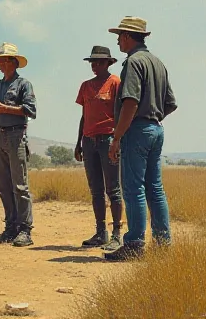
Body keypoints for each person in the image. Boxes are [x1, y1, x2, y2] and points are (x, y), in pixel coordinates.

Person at [104, 16, 177, 262]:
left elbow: (131, 102)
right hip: (156, 129)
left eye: (119, 36)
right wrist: (152, 117)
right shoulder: (158, 63)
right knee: (155, 188)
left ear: (127, 36)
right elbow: (170, 103)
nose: (117, 40)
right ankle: (163, 243)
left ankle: (134, 243)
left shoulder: (133, 63)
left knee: (134, 189)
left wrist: (117, 136)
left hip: (137, 130)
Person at [0, 42, 37, 248]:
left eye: (3, 60)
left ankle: (24, 229)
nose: (0, 63)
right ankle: (10, 226)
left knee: (19, 185)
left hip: (16, 136)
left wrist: (4, 108)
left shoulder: (24, 84)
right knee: (4, 186)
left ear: (13, 62)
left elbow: (31, 110)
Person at [73, 45, 123, 250]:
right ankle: (100, 232)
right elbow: (84, 115)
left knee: (114, 189)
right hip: (89, 140)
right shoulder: (85, 86)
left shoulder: (115, 83)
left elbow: (121, 112)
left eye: (99, 62)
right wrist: (78, 142)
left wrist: (117, 139)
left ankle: (117, 234)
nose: (95, 65)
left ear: (108, 63)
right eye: (93, 62)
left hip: (108, 140)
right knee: (96, 190)